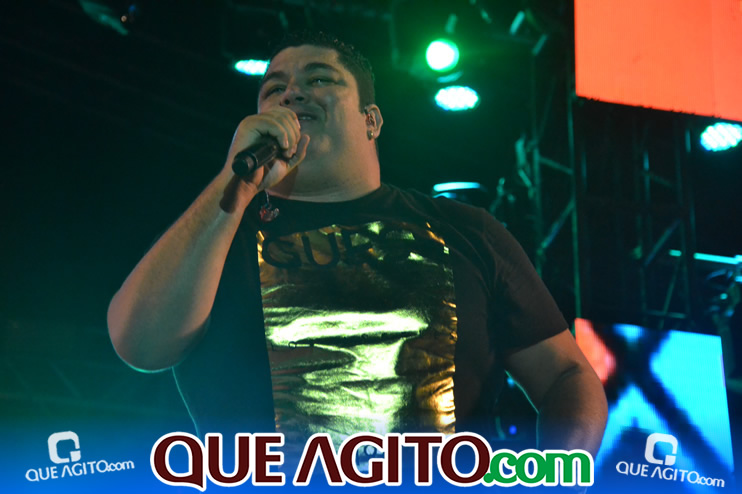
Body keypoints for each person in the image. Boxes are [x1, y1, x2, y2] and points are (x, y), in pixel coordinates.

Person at [107, 31, 607, 465]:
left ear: (372, 121)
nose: (292, 93)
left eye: (319, 79)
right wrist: (230, 184)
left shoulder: (465, 230)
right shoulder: (217, 237)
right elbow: (141, 344)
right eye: (274, 88)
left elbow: (566, 374)